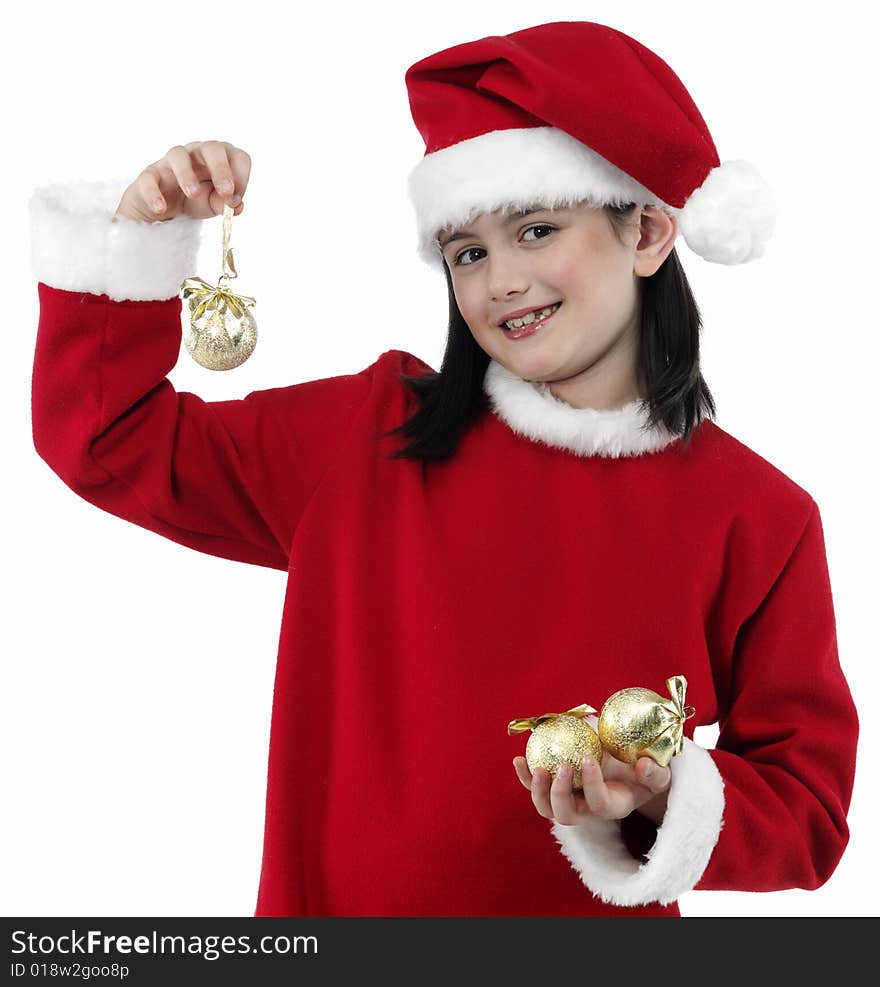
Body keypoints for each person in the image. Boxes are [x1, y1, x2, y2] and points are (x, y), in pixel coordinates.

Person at [28, 20, 858, 917]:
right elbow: (103, 437)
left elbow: (808, 804)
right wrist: (146, 232)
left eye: (536, 228)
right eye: (468, 251)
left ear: (650, 231)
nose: (500, 280)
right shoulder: (368, 437)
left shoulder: (762, 516)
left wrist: (661, 794)